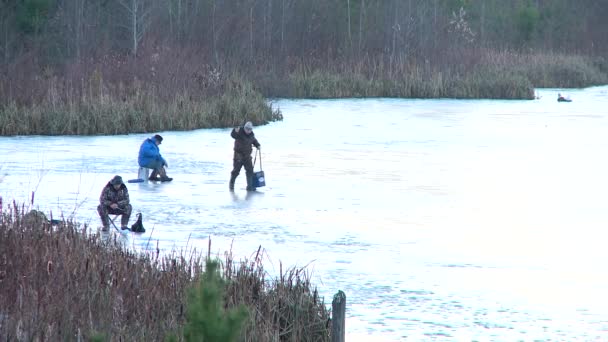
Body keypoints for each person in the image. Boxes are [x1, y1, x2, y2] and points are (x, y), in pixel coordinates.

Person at [229, 121, 260, 191]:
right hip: (238, 155)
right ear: (245, 128)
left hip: (247, 156)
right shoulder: (239, 131)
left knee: (250, 171)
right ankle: (231, 185)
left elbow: (254, 140)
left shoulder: (251, 134)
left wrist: (257, 145)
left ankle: (250, 186)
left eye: (250, 129)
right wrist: (235, 131)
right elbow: (233, 135)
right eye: (247, 129)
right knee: (236, 171)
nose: (248, 131)